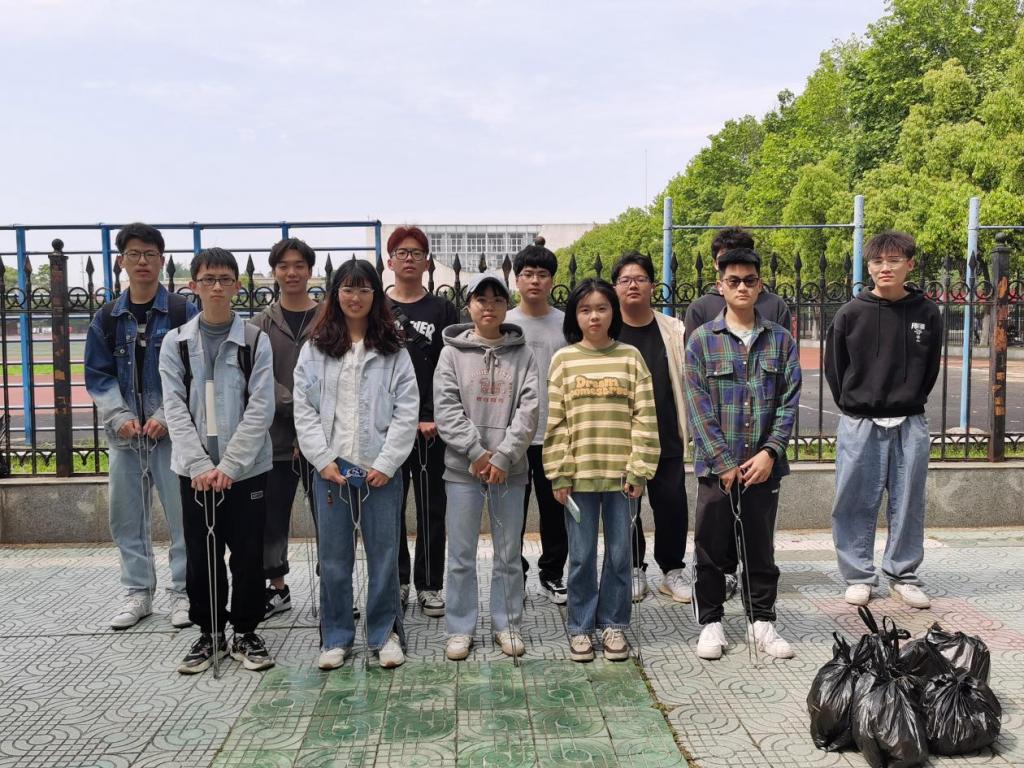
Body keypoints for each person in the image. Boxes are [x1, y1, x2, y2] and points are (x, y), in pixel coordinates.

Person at [293, 259, 419, 670]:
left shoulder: (393, 350)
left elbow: (406, 411)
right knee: (334, 559)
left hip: (380, 470)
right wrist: (323, 459)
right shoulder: (315, 349)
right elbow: (304, 410)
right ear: (335, 294)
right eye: (347, 288)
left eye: (364, 289)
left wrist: (387, 462)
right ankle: (336, 637)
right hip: (332, 470)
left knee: (384, 557)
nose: (355, 297)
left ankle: (385, 634)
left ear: (375, 295)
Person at [160, 247, 276, 674]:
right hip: (194, 474)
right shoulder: (175, 343)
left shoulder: (255, 340)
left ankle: (246, 631)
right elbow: (174, 407)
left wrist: (229, 466)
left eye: (225, 279)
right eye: (208, 279)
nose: (216, 287)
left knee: (247, 555)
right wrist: (199, 465)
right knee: (201, 556)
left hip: (246, 471)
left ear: (236, 286)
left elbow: (261, 407)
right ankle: (210, 633)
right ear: (193, 286)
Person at [685, 247, 801, 661]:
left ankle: (761, 620)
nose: (742, 288)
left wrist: (770, 452)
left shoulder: (781, 340)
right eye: (733, 281)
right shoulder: (702, 340)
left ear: (760, 285)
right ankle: (711, 622)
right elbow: (697, 405)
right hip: (716, 468)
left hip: (763, 467)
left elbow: (789, 401)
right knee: (710, 546)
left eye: (749, 281)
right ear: (720, 286)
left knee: (760, 546)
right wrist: (723, 461)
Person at [85, 222, 197, 630]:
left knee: (183, 517)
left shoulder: (184, 311)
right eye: (134, 254)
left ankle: (184, 592)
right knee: (126, 518)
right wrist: (120, 416)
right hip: (125, 438)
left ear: (162, 260)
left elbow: (193, 371)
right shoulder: (107, 317)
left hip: (173, 436)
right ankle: (137, 592)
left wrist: (165, 415)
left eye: (150, 254)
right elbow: (98, 374)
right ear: (121, 261)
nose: (142, 261)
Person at [825, 231, 942, 610]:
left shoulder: (926, 313)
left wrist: (908, 397)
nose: (885, 268)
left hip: (910, 421)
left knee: (908, 502)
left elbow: (930, 368)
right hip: (860, 422)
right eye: (877, 261)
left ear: (910, 264)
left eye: (894, 260)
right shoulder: (850, 314)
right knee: (853, 500)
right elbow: (835, 369)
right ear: (869, 267)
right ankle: (858, 575)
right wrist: (855, 404)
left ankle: (902, 574)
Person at [544, 279, 659, 662]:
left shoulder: (630, 358)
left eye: (601, 308)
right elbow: (556, 422)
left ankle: (614, 624)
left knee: (620, 556)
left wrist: (639, 469)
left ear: (613, 312)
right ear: (575, 316)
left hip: (622, 480)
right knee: (580, 557)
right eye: (585, 309)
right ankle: (580, 627)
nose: (594, 316)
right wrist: (559, 473)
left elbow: (645, 417)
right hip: (578, 480)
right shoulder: (564, 360)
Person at [433, 272, 539, 660]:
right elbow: (446, 409)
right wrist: (476, 453)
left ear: (506, 306)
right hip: (463, 470)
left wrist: (504, 456)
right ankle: (460, 629)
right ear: (469, 306)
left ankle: (507, 624)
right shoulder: (451, 354)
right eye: (481, 299)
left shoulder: (523, 355)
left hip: (510, 470)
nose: (489, 307)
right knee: (461, 554)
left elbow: (529, 411)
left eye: (497, 300)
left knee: (508, 554)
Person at [386, 226, 460, 618]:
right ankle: (397, 581)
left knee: (432, 508)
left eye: (417, 253)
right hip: (389, 428)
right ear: (390, 261)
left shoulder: (442, 310)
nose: (409, 259)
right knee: (391, 508)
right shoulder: (378, 308)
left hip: (432, 429)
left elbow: (450, 367)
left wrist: (431, 415)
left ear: (428, 262)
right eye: (402, 252)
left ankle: (430, 585)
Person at [612, 252, 691, 604]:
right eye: (625, 279)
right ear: (615, 286)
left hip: (666, 434)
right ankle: (632, 567)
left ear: (653, 285)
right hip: (621, 438)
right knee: (626, 506)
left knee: (672, 505)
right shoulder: (608, 328)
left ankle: (672, 570)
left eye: (640, 278)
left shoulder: (673, 329)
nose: (633, 285)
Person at [250, 238, 319, 619]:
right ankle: (277, 588)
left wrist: (309, 424)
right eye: (283, 266)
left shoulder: (329, 319)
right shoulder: (260, 324)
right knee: (271, 519)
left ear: (310, 270)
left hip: (323, 441)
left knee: (330, 519)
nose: (291, 273)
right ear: (274, 271)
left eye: (299, 265)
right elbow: (258, 377)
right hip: (275, 440)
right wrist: (295, 409)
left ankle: (334, 587)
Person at [506, 239, 568, 604]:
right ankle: (514, 573)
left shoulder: (566, 323)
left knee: (555, 509)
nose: (534, 281)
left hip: (555, 432)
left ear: (552, 280)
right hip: (513, 435)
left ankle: (553, 573)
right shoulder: (505, 323)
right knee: (512, 509)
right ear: (516, 279)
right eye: (527, 273)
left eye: (542, 274)